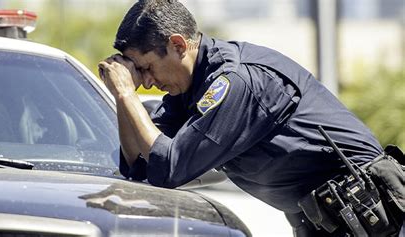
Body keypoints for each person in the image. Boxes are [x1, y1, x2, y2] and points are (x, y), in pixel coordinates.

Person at [98, 0, 403, 236]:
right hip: (332, 220)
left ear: (178, 45)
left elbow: (170, 168)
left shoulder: (235, 81)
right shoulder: (188, 88)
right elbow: (140, 165)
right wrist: (122, 95)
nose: (146, 82)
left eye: (147, 68)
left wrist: (127, 93)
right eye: (137, 72)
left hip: (377, 215)